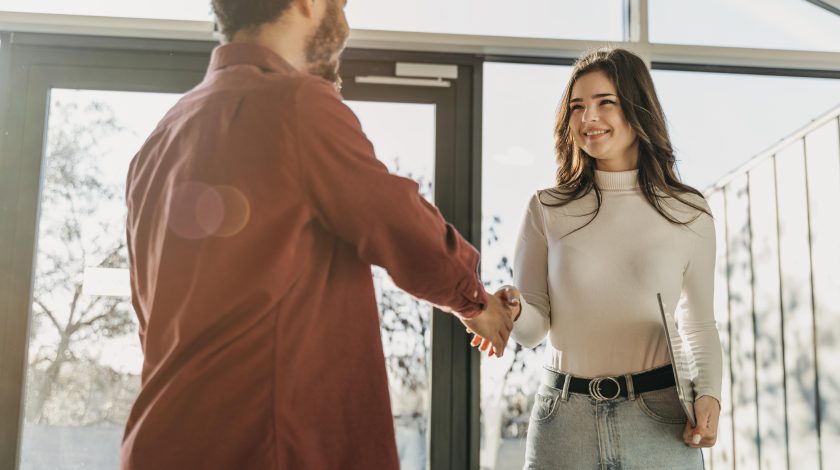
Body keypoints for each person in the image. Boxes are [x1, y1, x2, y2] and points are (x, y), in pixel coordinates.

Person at [121, 0, 513, 468]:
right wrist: (478, 303)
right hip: (264, 446)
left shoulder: (160, 138)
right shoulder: (295, 102)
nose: (344, 13)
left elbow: (152, 315)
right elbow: (398, 222)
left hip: (161, 441)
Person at [472, 48, 723, 469]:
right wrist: (512, 310)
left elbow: (698, 322)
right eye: (577, 107)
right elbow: (534, 330)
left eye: (605, 102)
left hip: (660, 419)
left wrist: (710, 393)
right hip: (564, 421)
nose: (588, 118)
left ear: (638, 108)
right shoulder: (546, 208)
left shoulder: (688, 210)